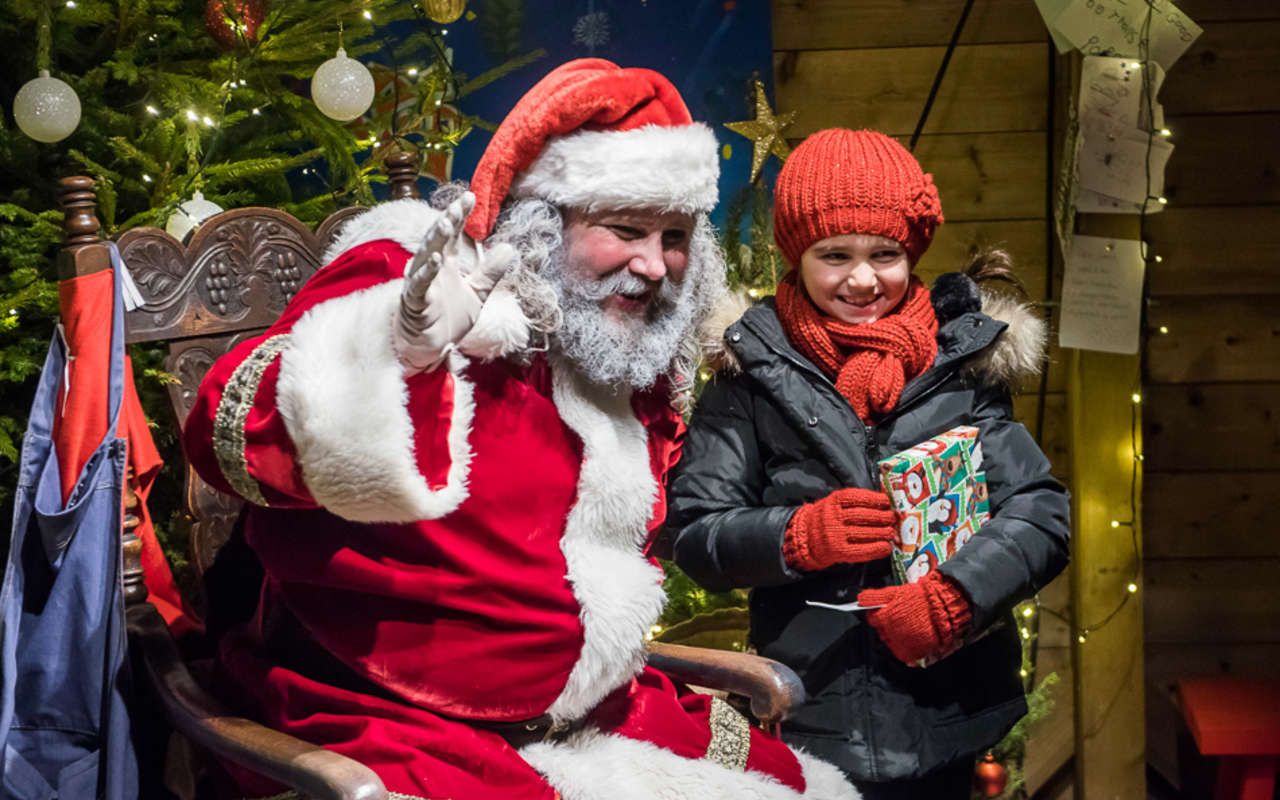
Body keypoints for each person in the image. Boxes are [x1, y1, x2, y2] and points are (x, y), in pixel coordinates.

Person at [182, 60, 859, 800]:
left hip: (599, 705)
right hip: (390, 714)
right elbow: (228, 435)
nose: (654, 265)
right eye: (625, 229)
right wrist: (389, 351)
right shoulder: (418, 275)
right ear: (542, 222)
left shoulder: (624, 346)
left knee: (800, 787)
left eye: (674, 236)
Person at [665, 128, 1070, 800]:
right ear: (795, 255)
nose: (861, 278)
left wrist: (958, 595)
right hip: (809, 704)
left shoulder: (962, 365)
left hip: (946, 708)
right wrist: (796, 536)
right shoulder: (749, 375)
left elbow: (1040, 512)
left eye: (885, 254)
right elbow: (693, 532)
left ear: (912, 250)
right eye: (835, 255)